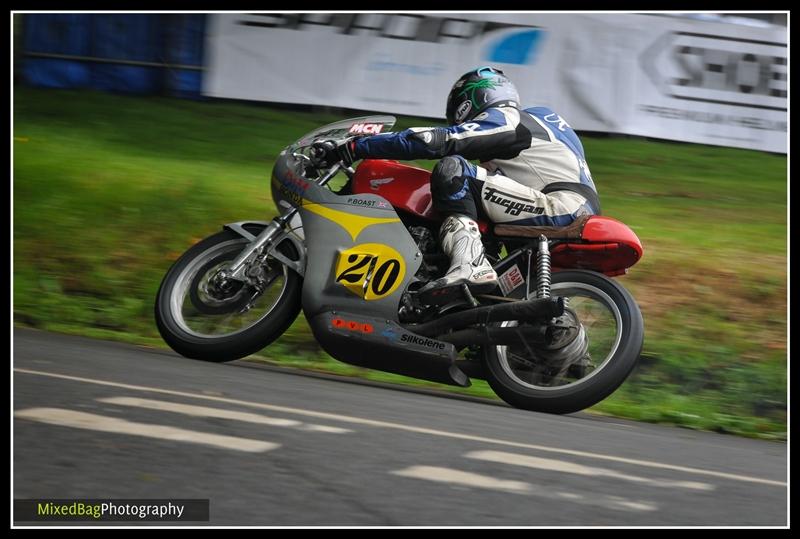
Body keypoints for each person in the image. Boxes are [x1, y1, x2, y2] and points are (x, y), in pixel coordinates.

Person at [311, 66, 600, 295]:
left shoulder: (508, 118)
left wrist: (357, 145)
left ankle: (470, 265)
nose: (457, 121)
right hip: (566, 209)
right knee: (471, 199)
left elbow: (439, 140)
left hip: (560, 207)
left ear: (473, 98)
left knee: (454, 170)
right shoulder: (543, 128)